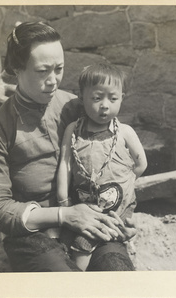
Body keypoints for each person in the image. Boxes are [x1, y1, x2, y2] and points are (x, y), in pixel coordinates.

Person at [0, 21, 137, 272]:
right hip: (33, 234)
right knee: (65, 286)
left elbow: (115, 156)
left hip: (89, 219)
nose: (53, 80)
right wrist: (64, 215)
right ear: (17, 69)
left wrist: (121, 212)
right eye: (43, 71)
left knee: (118, 273)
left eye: (59, 69)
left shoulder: (74, 108)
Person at [57, 63, 147, 271]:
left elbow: (141, 163)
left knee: (83, 245)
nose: (105, 105)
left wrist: (125, 182)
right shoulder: (74, 130)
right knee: (67, 241)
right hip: (83, 205)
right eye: (97, 98)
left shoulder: (124, 132)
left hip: (116, 209)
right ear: (82, 97)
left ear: (122, 97)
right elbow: (65, 164)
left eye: (113, 98)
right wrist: (63, 199)